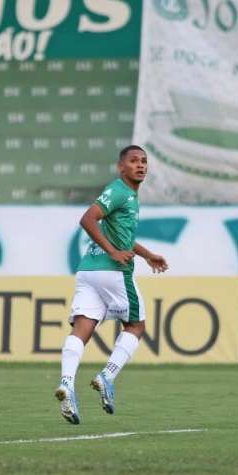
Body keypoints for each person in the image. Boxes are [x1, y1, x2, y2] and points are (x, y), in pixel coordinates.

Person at [54, 145, 168, 424]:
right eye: (133, 161)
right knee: (136, 326)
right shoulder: (120, 191)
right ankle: (107, 376)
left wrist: (146, 254)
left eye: (143, 161)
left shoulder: (125, 195)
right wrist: (114, 253)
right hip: (113, 271)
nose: (140, 165)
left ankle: (66, 383)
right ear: (121, 167)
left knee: (82, 327)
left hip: (87, 271)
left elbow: (118, 235)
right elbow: (87, 219)